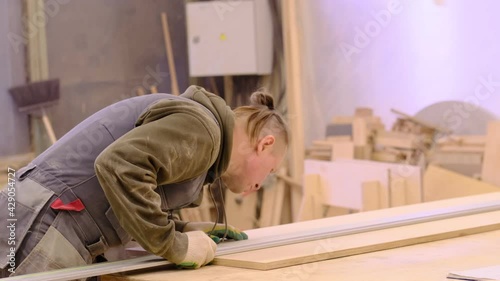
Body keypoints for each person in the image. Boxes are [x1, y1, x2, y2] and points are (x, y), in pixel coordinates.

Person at [0, 85, 289, 278]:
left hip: (39, 217)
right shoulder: (204, 131)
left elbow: (127, 190)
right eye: (271, 170)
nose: (259, 185)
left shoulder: (203, 133)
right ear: (264, 144)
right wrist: (173, 244)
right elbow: (118, 166)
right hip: (45, 224)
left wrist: (179, 228)